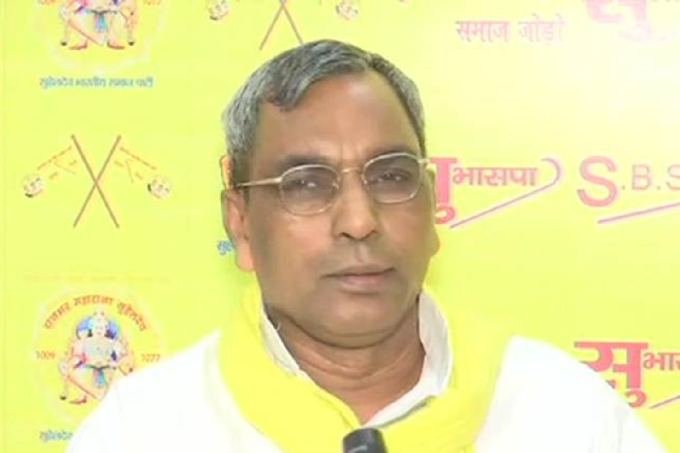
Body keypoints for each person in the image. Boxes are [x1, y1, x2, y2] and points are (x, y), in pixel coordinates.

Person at [67, 40, 666, 453]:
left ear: (431, 209)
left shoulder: (563, 412)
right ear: (242, 225)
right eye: (306, 184)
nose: (359, 221)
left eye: (391, 176)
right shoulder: (143, 430)